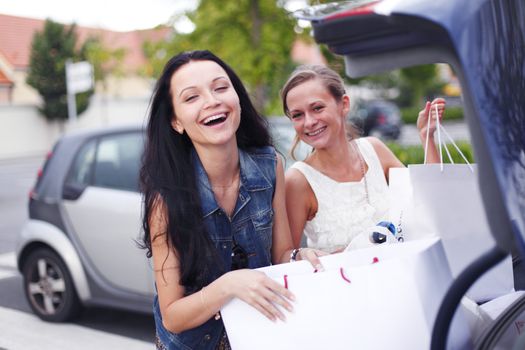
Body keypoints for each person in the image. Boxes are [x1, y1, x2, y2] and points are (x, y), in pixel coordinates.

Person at [140, 51, 325, 350]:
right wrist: (229, 285)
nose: (212, 101)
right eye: (191, 97)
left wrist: (300, 257)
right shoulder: (165, 199)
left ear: (237, 98)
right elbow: (172, 315)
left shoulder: (270, 165)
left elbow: (281, 255)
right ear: (176, 121)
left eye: (220, 88)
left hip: (257, 336)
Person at [281, 64, 445, 253]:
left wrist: (427, 137)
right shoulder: (297, 181)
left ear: (344, 104)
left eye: (317, 108)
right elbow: (288, 259)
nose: (309, 122)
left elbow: (426, 203)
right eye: (297, 115)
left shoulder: (375, 150)